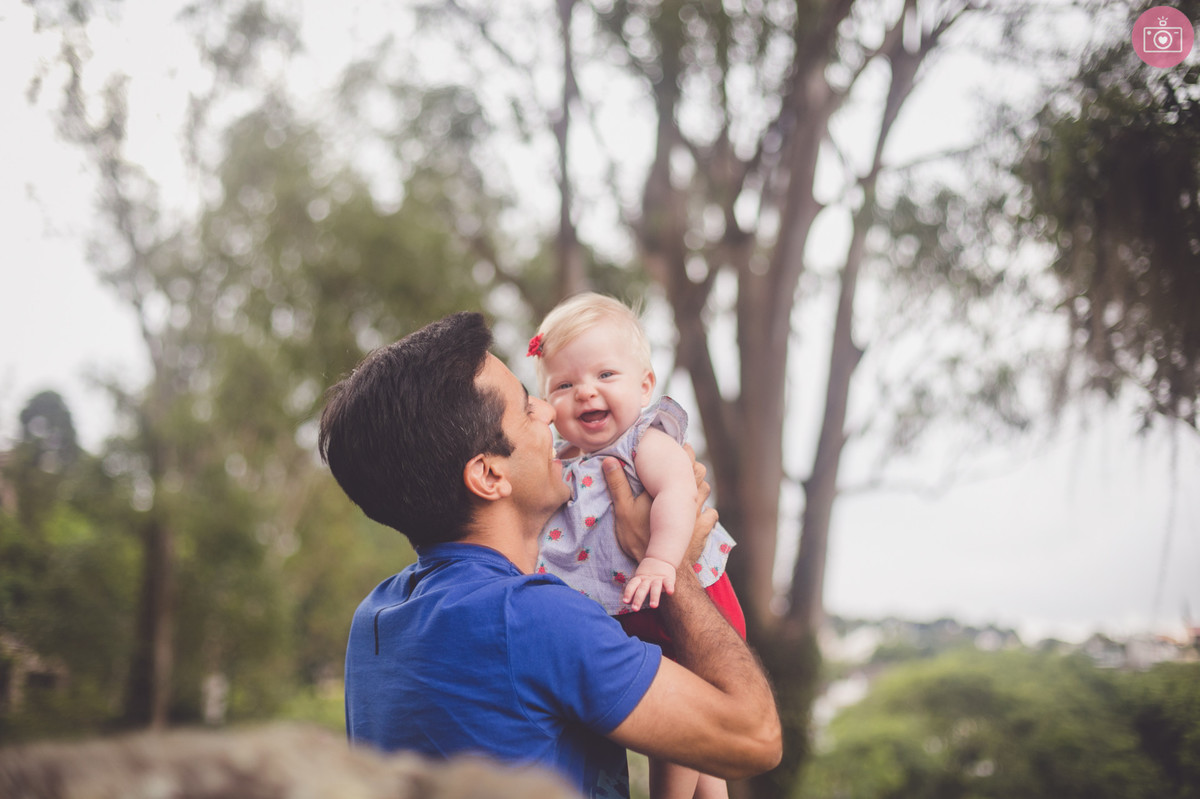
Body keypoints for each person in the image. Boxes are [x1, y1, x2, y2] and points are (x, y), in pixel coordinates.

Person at [318, 311, 780, 799]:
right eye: (525, 407)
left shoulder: (375, 618)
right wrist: (674, 567)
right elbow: (756, 738)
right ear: (490, 475)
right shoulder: (533, 618)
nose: (548, 410)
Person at [528, 293, 744, 799]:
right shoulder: (563, 462)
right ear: (546, 405)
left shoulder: (643, 441)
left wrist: (661, 559)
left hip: (678, 594)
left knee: (676, 725)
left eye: (605, 376)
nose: (585, 392)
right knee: (698, 735)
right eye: (564, 384)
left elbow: (678, 492)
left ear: (645, 385)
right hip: (633, 606)